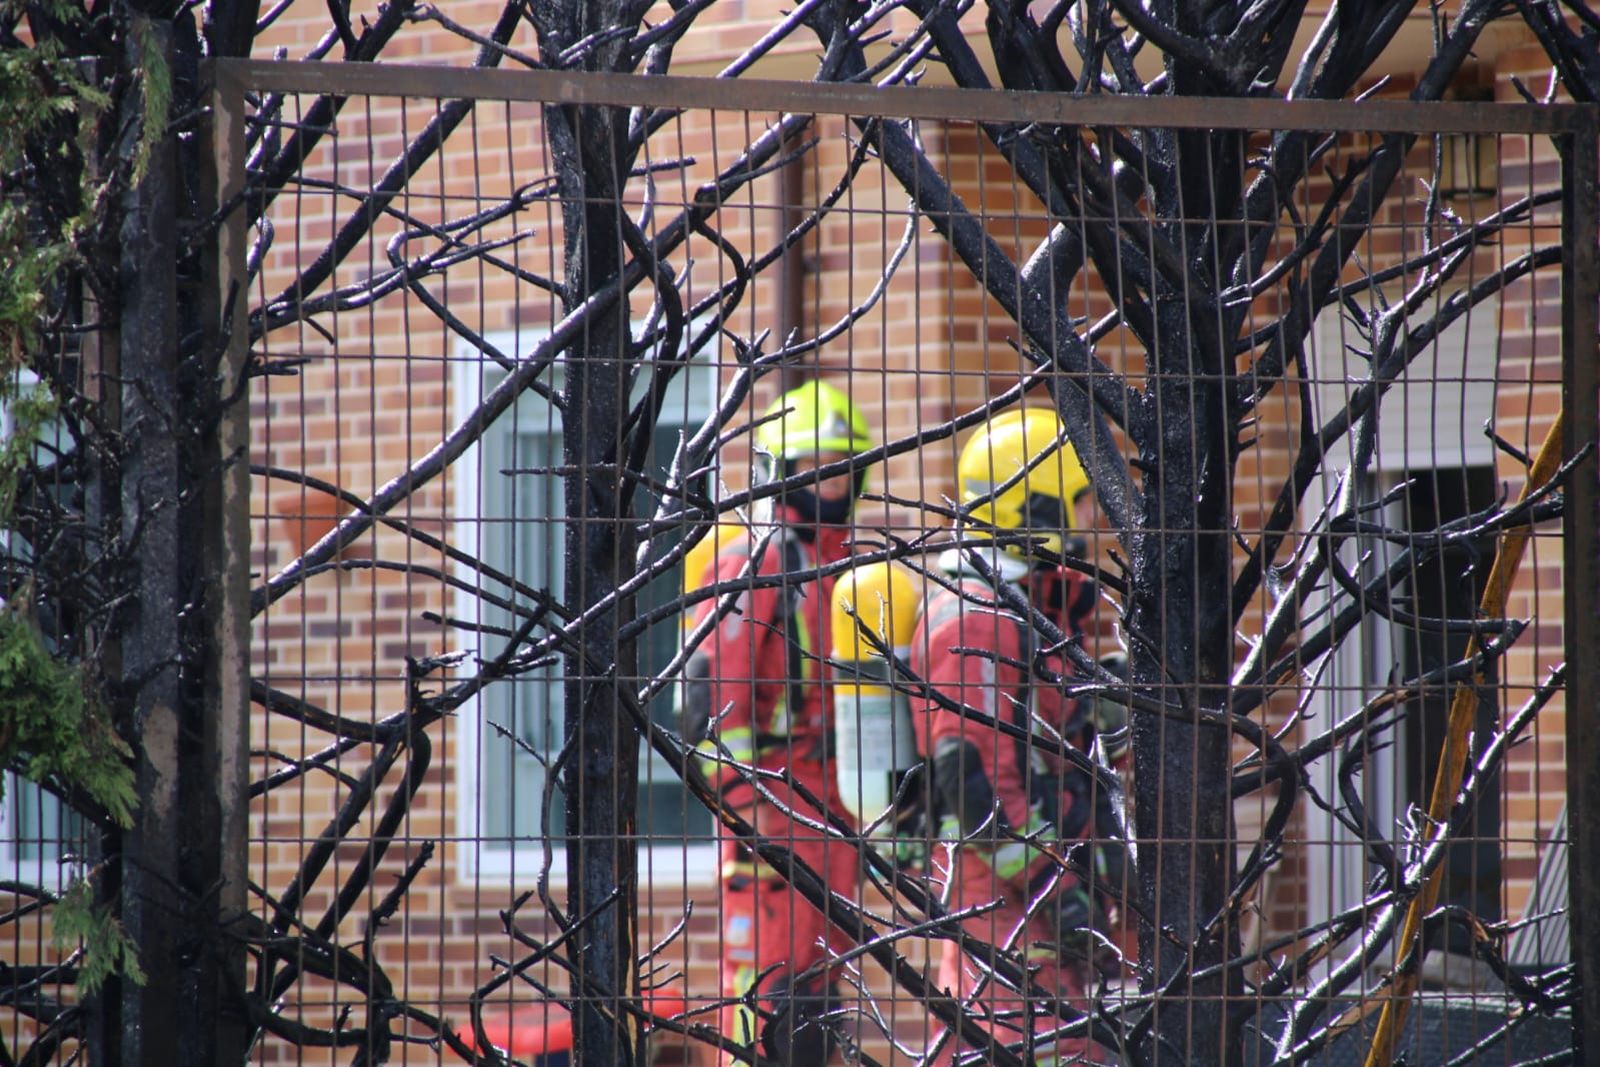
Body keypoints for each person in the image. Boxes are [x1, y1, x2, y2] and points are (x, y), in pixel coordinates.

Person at [909, 406, 1123, 1067]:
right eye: (1083, 499)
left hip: (1030, 915)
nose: (1095, 517)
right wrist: (1057, 894)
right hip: (1008, 920)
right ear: (1034, 506)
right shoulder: (981, 624)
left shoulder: (1026, 607)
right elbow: (978, 789)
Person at [678, 379, 873, 1064]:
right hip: (771, 812)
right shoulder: (750, 563)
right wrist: (744, 811)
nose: (832, 484)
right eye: (815, 469)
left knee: (826, 994)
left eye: (844, 468)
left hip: (837, 810)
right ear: (779, 472)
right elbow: (709, 705)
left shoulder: (850, 567)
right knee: (771, 993)